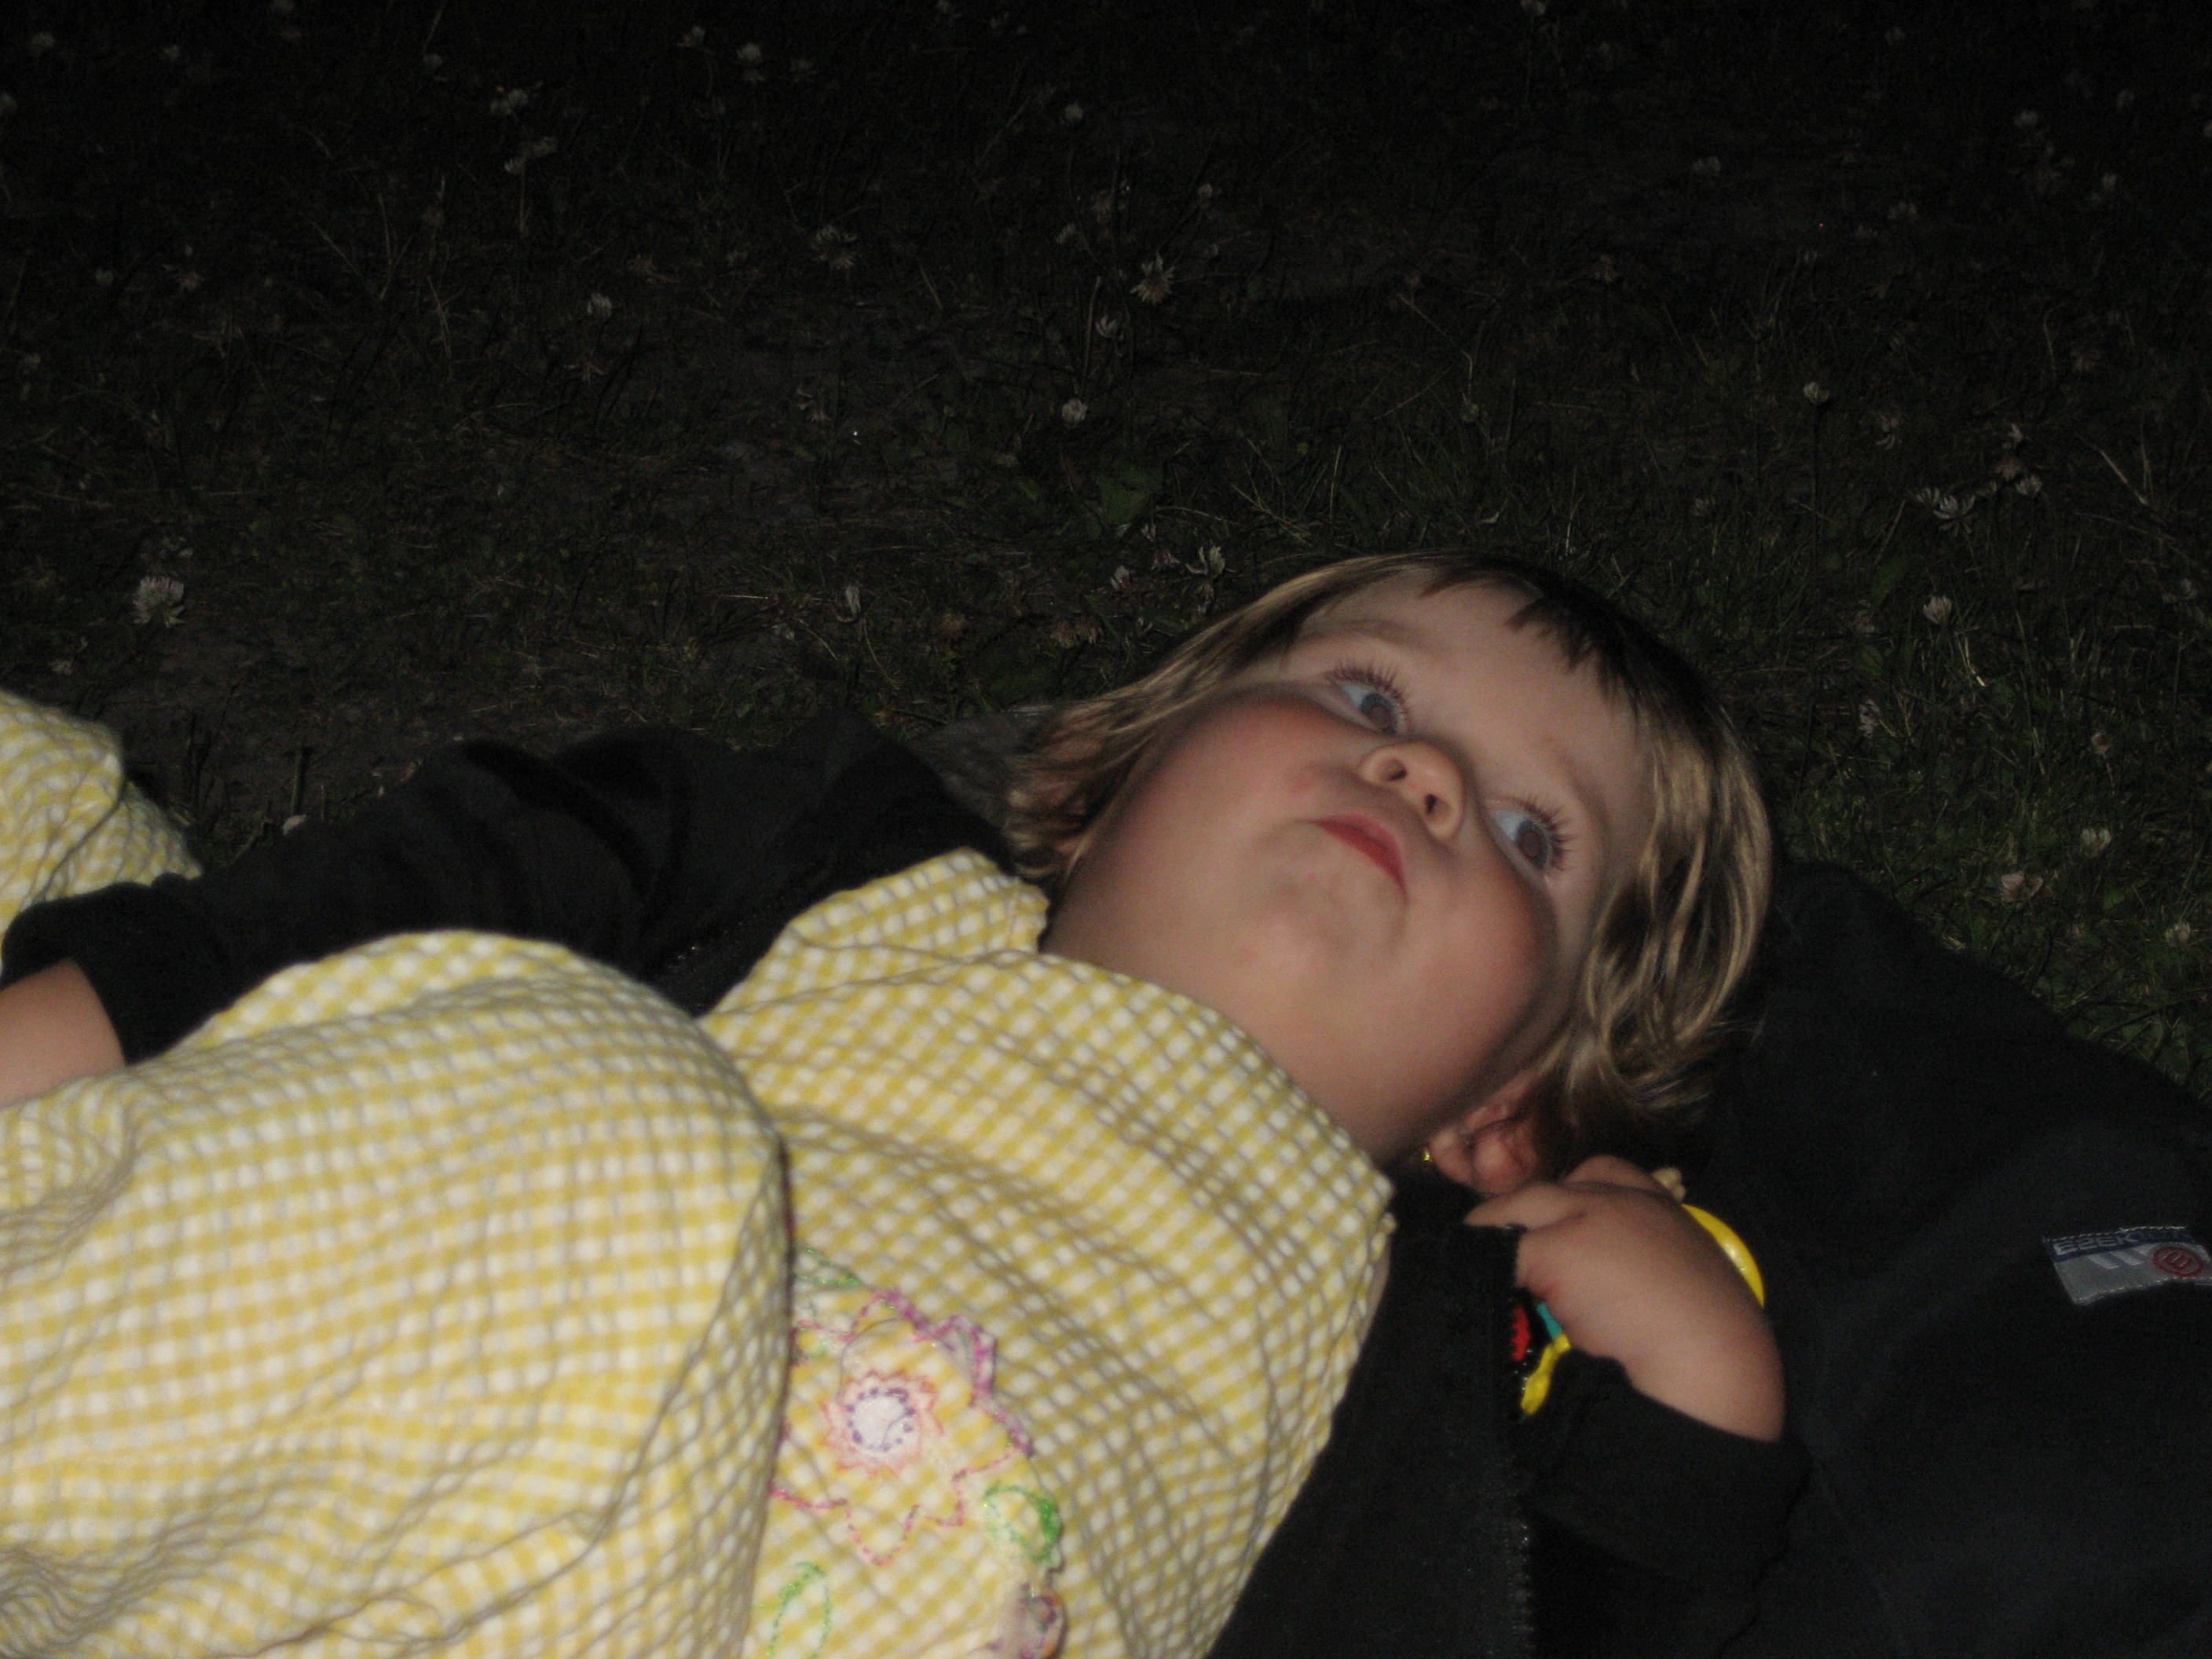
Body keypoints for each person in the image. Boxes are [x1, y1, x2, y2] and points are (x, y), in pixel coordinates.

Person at [0, 553, 1795, 1658]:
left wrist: (1705, 1405)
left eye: (1530, 834)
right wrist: (71, 1023)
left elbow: (1546, 1621)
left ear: (1505, 1109)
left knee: (616, 1134)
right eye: (1366, 691)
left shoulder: (1415, 1320)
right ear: (1096, 784)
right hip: (347, 1457)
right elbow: (431, 886)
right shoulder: (845, 869)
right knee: (43, 795)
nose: (1420, 772)